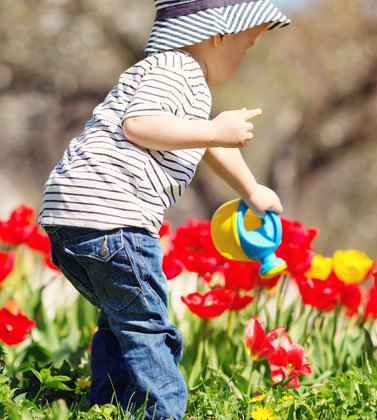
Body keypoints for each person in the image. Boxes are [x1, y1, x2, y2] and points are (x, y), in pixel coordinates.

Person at [36, 1, 291, 418]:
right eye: (246, 48)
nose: (244, 58)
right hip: (113, 219)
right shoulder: (177, 70)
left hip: (74, 220)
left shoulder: (173, 75)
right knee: (149, 328)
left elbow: (206, 143)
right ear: (218, 36)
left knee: (123, 323)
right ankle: (164, 412)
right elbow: (139, 124)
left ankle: (105, 405)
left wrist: (251, 189)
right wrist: (214, 128)